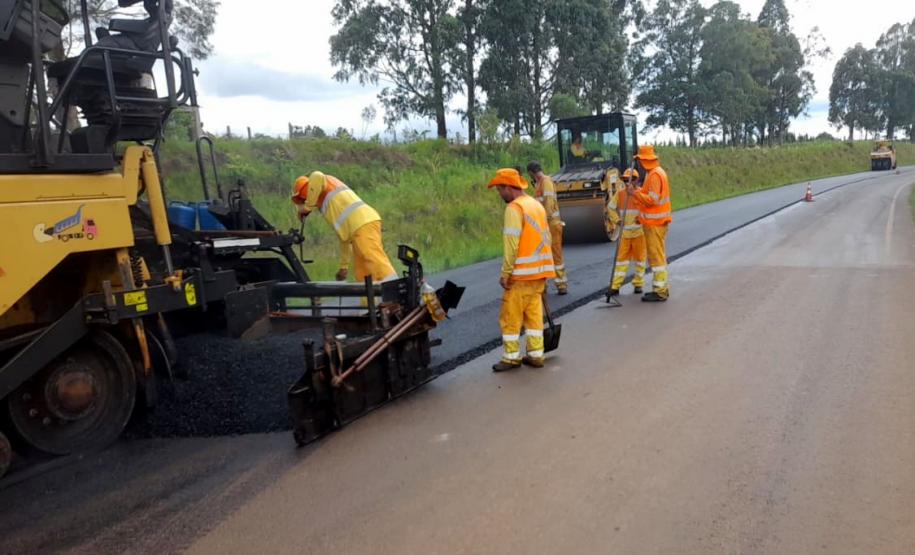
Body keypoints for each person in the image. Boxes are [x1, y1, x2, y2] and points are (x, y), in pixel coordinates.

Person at [489, 168, 556, 372]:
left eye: (500, 189)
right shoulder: (535, 205)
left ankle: (511, 357)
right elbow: (547, 237)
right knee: (533, 314)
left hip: (521, 274)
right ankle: (536, 354)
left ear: (509, 187)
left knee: (511, 316)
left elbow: (512, 244)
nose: (500, 194)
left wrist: (505, 272)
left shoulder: (514, 208)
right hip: (540, 272)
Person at [291, 171, 397, 284]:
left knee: (371, 256)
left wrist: (307, 208)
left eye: (303, 198)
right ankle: (369, 300)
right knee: (362, 270)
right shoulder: (329, 205)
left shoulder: (322, 180)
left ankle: (397, 292)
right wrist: (344, 267)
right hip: (359, 227)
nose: (304, 200)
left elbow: (316, 175)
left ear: (306, 189)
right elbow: (344, 238)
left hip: (363, 222)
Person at [629, 145, 672, 302]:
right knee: (657, 256)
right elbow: (649, 195)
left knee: (656, 257)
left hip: (655, 223)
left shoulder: (654, 175)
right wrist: (638, 191)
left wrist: (634, 193)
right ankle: (661, 288)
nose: (639, 164)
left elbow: (651, 200)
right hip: (655, 222)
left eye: (640, 161)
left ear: (644, 161)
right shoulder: (654, 173)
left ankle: (660, 290)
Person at [527, 161, 568, 294]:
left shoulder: (546, 182)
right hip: (544, 225)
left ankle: (561, 285)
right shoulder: (539, 184)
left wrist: (544, 219)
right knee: (543, 255)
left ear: (532, 173)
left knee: (556, 255)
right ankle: (543, 286)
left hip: (552, 224)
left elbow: (549, 204)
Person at [607, 168, 647, 297]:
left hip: (639, 233)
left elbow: (649, 208)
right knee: (621, 261)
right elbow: (610, 208)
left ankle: (638, 284)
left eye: (630, 179)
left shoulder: (641, 193)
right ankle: (615, 286)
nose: (627, 182)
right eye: (624, 180)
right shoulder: (620, 194)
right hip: (625, 234)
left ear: (636, 180)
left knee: (640, 260)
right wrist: (618, 221)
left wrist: (642, 218)